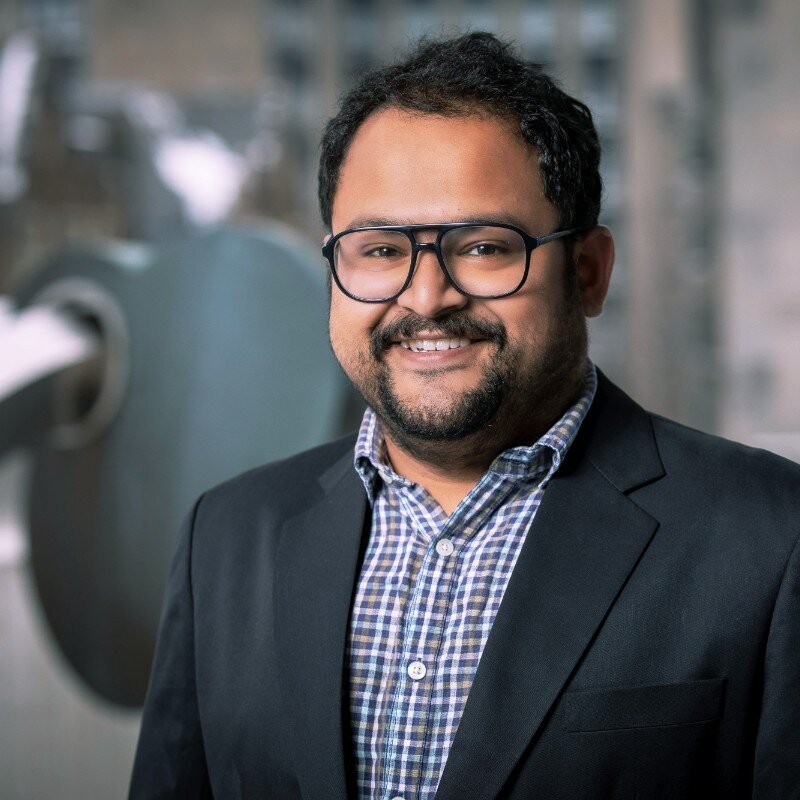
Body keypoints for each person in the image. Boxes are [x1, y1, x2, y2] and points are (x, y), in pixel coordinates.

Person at [129, 33, 800, 800]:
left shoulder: (774, 539)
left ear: (587, 272)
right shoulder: (226, 534)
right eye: (379, 250)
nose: (425, 298)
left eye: (483, 246)